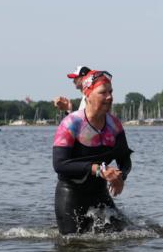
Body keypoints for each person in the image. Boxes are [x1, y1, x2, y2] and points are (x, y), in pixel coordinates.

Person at [52, 70, 132, 234]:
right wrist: (98, 170)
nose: (109, 96)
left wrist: (120, 177)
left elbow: (124, 159)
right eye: (103, 92)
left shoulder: (114, 125)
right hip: (71, 194)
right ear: (87, 94)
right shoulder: (71, 123)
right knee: (73, 247)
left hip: (99, 194)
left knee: (126, 234)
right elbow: (59, 164)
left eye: (111, 92)